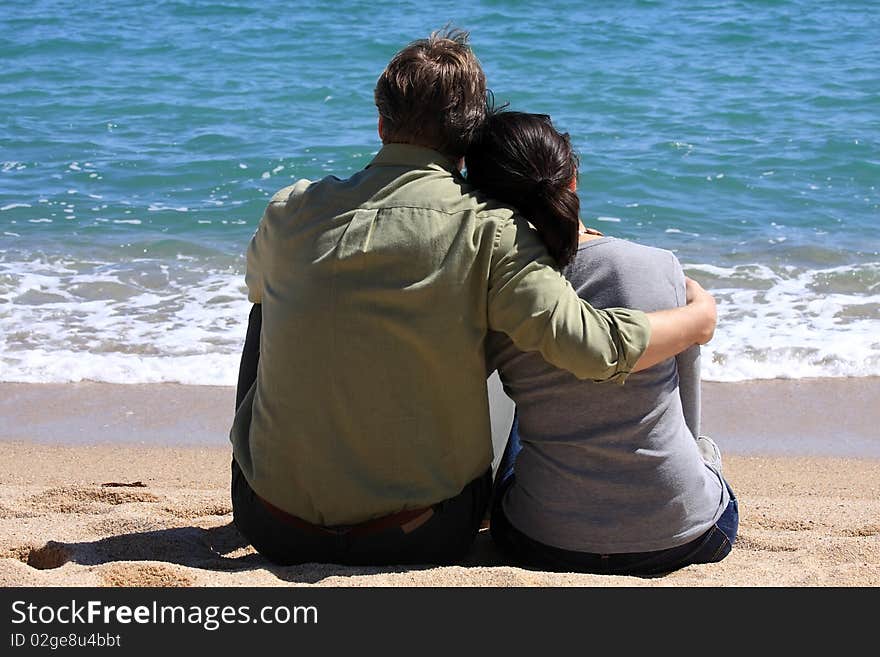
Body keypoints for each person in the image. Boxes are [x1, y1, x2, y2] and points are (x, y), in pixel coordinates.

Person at [229, 29, 718, 567]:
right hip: (417, 534)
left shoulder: (289, 209)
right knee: (507, 322)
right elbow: (593, 351)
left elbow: (259, 292)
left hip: (271, 523)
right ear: (468, 139)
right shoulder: (492, 228)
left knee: (265, 307)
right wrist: (696, 319)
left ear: (381, 123)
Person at [465, 111, 737, 575]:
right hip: (684, 533)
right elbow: (687, 388)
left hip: (544, 540)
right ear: (572, 178)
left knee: (520, 388)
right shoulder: (656, 265)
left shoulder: (495, 289)